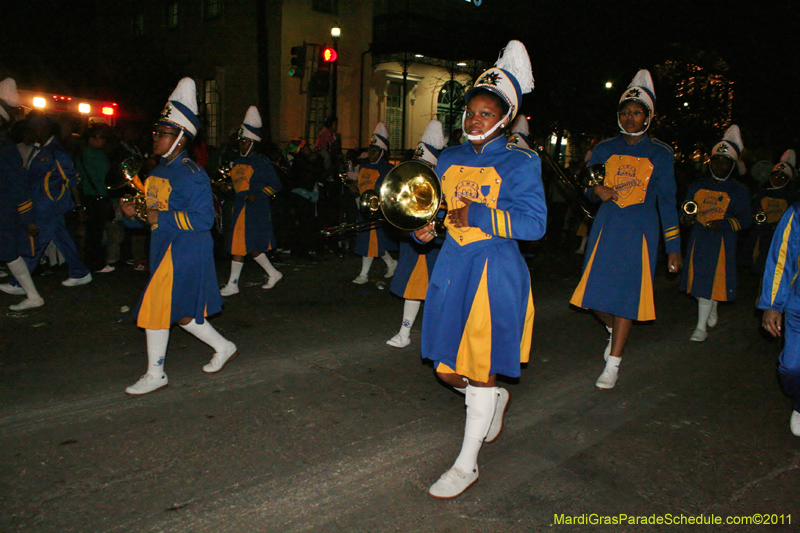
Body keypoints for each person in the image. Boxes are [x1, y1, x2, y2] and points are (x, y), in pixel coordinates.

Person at [413, 40, 546, 499]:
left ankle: (466, 465)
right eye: (471, 112)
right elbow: (441, 213)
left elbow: (534, 224)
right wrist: (426, 231)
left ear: (505, 118)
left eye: (486, 113)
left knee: (481, 368)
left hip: (495, 273)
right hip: (453, 268)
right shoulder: (450, 158)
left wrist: (481, 215)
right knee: (445, 369)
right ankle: (493, 399)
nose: (474, 120)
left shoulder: (522, 161)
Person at [121, 77, 237, 396]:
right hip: (163, 248)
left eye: (163, 133)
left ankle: (156, 373)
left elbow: (204, 219)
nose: (156, 138)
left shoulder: (193, 174)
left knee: (155, 307)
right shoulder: (156, 172)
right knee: (183, 313)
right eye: (156, 132)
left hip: (186, 250)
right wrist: (133, 215)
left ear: (181, 139)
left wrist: (160, 217)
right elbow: (152, 220)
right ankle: (224, 346)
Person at [570, 69, 682, 390]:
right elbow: (588, 186)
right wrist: (597, 190)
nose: (630, 118)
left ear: (648, 116)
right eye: (625, 112)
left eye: (636, 112)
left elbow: (668, 203)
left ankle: (613, 364)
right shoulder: (605, 148)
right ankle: (613, 330)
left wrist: (673, 248)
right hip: (606, 229)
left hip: (640, 234)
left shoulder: (661, 153)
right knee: (591, 297)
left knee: (627, 298)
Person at [7, 110, 93, 289]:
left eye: (34, 127)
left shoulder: (56, 151)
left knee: (37, 241)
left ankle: (18, 283)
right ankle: (80, 272)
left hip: (50, 204)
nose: (31, 131)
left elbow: (71, 179)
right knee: (61, 238)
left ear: (44, 127)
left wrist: (79, 205)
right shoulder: (39, 149)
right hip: (40, 203)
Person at [680, 126, 751, 341]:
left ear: (732, 165)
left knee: (709, 282)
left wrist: (724, 224)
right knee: (698, 283)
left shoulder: (739, 190)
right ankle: (711, 305)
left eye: (724, 162)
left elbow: (746, 219)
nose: (719, 166)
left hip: (721, 242)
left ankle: (700, 328)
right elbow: (685, 211)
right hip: (699, 240)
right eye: (716, 161)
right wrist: (687, 218)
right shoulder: (697, 185)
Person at [386, 119, 446, 348]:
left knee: (439, 292)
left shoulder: (444, 184)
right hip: (415, 243)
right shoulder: (411, 182)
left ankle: (441, 336)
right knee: (413, 288)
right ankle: (404, 333)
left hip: (437, 246)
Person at [219, 106, 283, 296]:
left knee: (240, 245)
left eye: (244, 141)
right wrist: (228, 188)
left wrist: (259, 195)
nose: (241, 145)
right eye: (240, 141)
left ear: (253, 142)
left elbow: (276, 184)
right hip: (240, 207)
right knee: (250, 246)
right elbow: (239, 185)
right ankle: (273, 273)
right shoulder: (237, 161)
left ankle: (233, 284)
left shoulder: (261, 162)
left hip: (254, 209)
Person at [0, 77, 44, 311]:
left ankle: (33, 295)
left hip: (4, 211)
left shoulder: (5, 149)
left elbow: (18, 185)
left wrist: (28, 219)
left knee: (10, 253)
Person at [759, 198, 800, 437]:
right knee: (791, 368)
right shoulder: (797, 212)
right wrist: (772, 304)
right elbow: (781, 259)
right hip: (798, 304)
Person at [352, 122, 397, 283]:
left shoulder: (387, 169)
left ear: (382, 152)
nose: (371, 153)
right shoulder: (362, 166)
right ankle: (391, 263)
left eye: (375, 150)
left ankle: (364, 274)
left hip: (377, 211)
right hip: (363, 209)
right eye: (370, 150)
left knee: (370, 241)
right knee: (374, 241)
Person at [748, 150, 797, 275]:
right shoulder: (762, 193)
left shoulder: (791, 197)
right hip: (761, 233)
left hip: (779, 234)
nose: (777, 180)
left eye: (782, 178)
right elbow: (752, 210)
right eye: (775, 176)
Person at [76, 124, 116, 272]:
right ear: (91, 139)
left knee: (91, 232)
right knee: (96, 233)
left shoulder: (80, 155)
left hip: (87, 196)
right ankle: (96, 263)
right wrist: (112, 198)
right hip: (99, 196)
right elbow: (105, 178)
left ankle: (89, 261)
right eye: (100, 138)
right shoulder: (97, 155)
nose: (103, 141)